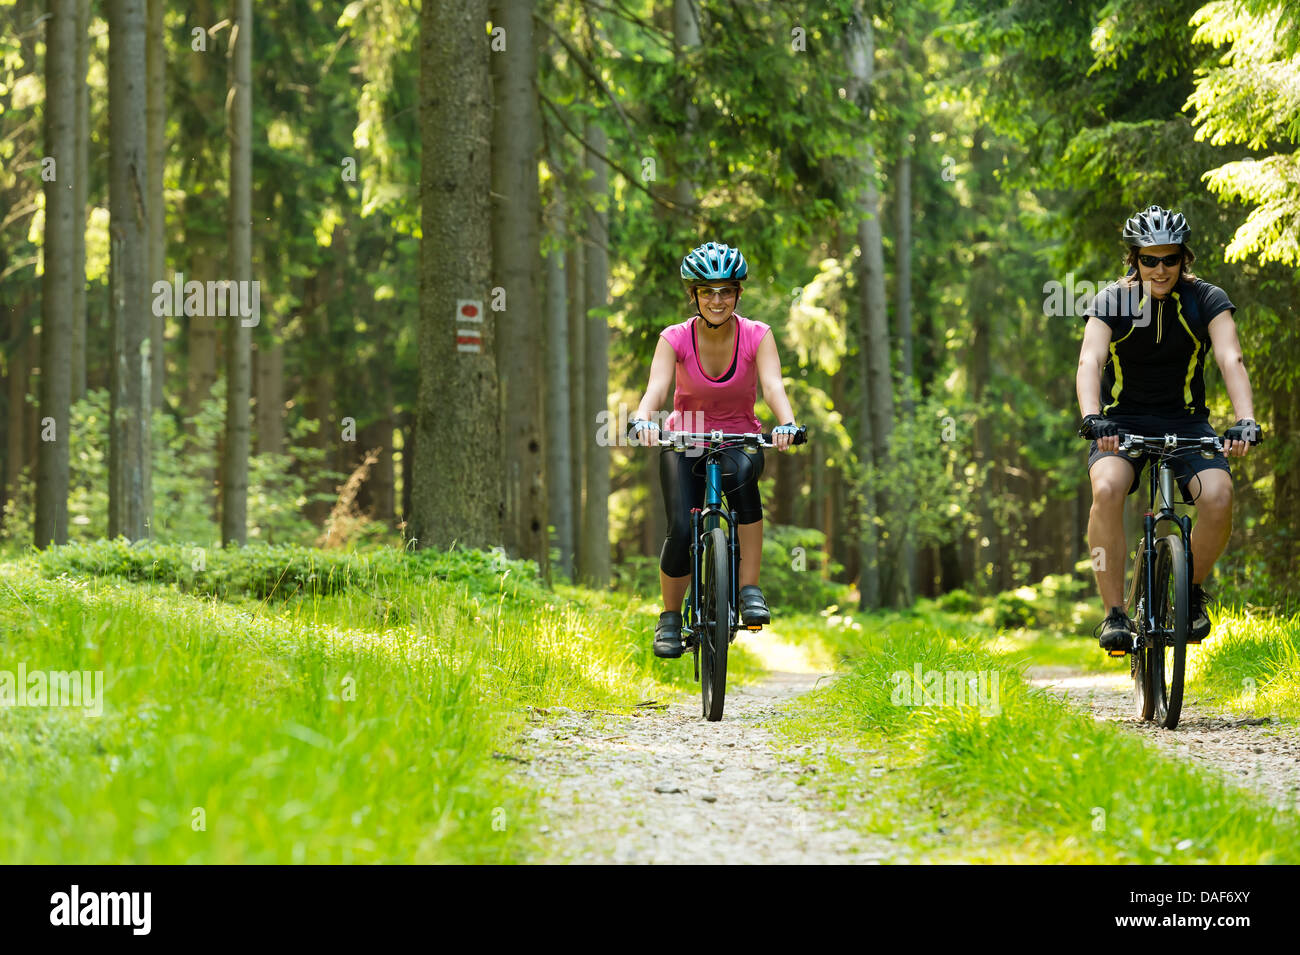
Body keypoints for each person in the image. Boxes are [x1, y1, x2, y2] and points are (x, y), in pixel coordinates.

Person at [1076, 205, 1261, 651]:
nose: (1160, 270)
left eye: (1170, 259)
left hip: (1187, 422)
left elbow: (1229, 357)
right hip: (1119, 423)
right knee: (1106, 489)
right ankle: (1115, 614)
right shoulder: (1111, 301)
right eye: (1149, 259)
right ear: (1134, 259)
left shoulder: (1207, 299)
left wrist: (1245, 419)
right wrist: (1092, 414)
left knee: (1218, 496)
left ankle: (1190, 590)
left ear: (1184, 258)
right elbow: (1090, 359)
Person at [628, 241, 799, 659]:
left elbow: (774, 385)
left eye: (725, 290)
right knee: (683, 528)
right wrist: (642, 419)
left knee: (744, 486)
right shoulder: (674, 338)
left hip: (740, 437)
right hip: (685, 440)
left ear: (738, 292)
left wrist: (788, 423)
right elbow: (656, 389)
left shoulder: (758, 336)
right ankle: (669, 618)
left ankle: (750, 589)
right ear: (695, 295)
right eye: (708, 291)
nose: (717, 300)